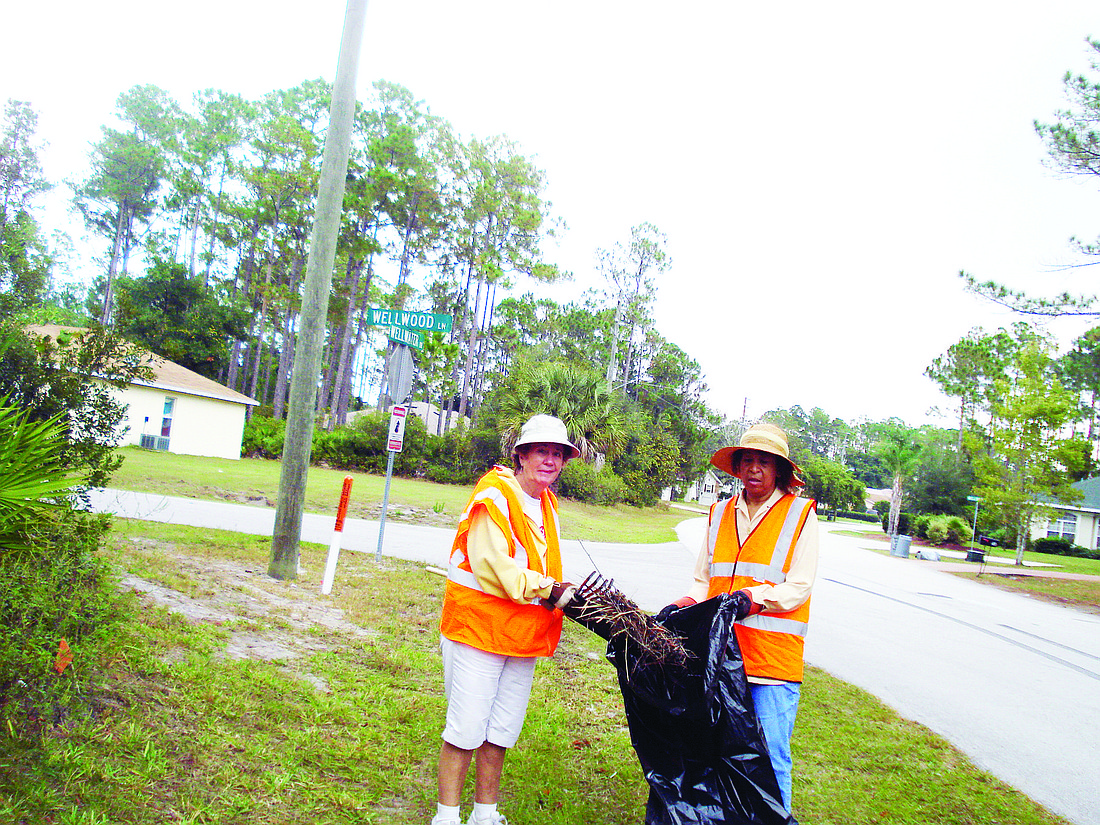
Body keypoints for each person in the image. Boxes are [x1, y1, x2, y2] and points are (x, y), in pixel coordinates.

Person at [657, 422, 818, 814]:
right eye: (748, 460)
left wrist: (754, 598)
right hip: (718, 661)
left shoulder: (799, 515)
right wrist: (682, 604)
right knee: (717, 751)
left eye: (764, 462)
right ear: (737, 467)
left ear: (779, 469)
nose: (754, 469)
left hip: (770, 663)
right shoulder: (718, 513)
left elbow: (799, 586)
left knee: (770, 755)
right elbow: (703, 580)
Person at [432, 414, 579, 825]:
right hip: (478, 631)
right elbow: (490, 564)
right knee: (465, 729)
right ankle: (446, 817)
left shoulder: (545, 502)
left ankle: (485, 813)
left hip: (521, 636)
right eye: (541, 451)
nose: (550, 460)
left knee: (501, 731)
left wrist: (558, 590)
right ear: (521, 455)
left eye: (557, 453)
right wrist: (549, 589)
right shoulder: (495, 495)